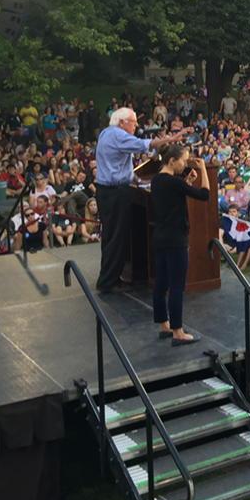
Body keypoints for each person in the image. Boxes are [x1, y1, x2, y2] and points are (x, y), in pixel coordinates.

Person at [94, 107, 186, 294]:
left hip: (106, 191)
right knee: (117, 237)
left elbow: (122, 166)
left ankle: (111, 276)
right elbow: (145, 144)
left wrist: (137, 180)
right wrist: (171, 139)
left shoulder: (106, 133)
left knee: (111, 236)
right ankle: (108, 282)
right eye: (133, 122)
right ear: (122, 122)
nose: (136, 125)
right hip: (115, 193)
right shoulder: (118, 135)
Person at [150, 144, 210, 345]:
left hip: (160, 236)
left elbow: (172, 196)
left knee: (161, 283)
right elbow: (204, 195)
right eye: (183, 160)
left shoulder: (157, 180)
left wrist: (186, 182)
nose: (185, 164)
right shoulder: (175, 182)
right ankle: (178, 331)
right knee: (177, 285)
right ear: (172, 161)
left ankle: (164, 325)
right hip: (176, 238)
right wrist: (203, 169)